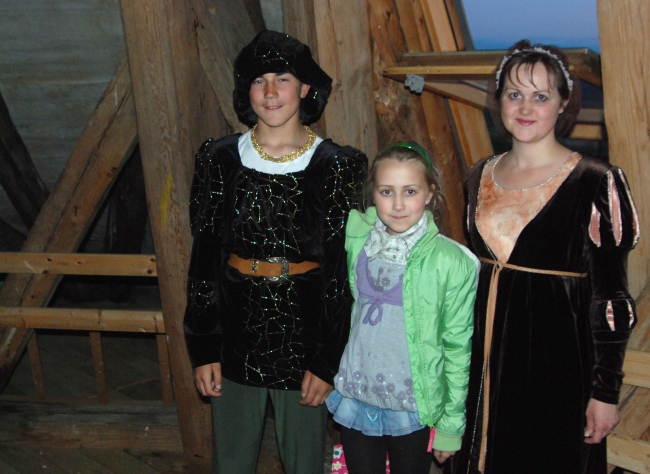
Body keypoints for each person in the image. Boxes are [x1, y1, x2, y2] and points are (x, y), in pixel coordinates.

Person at [183, 29, 367, 474]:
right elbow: (205, 258)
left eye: (282, 79)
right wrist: (203, 346)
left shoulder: (336, 166)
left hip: (304, 338)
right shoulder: (220, 159)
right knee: (231, 462)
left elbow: (341, 271)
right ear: (246, 89)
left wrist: (327, 360)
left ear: (304, 88)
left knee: (304, 462)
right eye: (259, 80)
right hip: (235, 335)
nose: (270, 92)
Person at [451, 40, 640, 474]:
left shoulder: (596, 181)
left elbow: (612, 299)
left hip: (559, 368)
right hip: (483, 366)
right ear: (499, 100)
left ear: (563, 103)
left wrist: (605, 392)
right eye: (514, 94)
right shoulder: (479, 175)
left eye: (541, 96)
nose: (525, 107)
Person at [326, 142, 478, 474]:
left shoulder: (453, 262)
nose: (397, 204)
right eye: (386, 191)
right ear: (373, 194)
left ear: (429, 194)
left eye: (410, 191)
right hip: (358, 395)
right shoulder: (357, 241)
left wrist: (451, 425)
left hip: (412, 406)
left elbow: (457, 348)